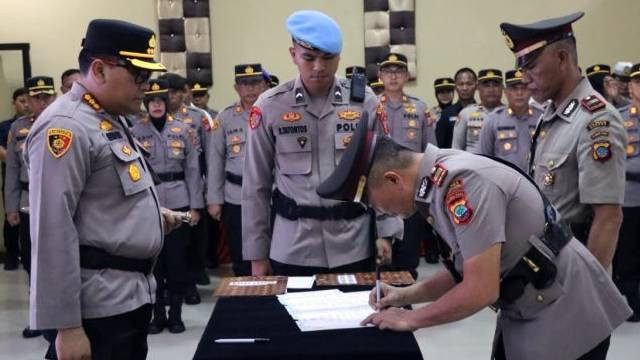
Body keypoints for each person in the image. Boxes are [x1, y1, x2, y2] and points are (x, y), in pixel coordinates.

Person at [316, 114, 632, 360]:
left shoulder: (461, 183)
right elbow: (466, 271)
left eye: (373, 202)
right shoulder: (437, 180)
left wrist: (412, 320)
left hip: (567, 315)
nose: (380, 211)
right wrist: (403, 296)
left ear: (392, 178)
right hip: (533, 306)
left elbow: (480, 289)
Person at [25, 19, 182, 359]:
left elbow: (104, 199)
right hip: (97, 310)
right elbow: (52, 230)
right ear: (99, 69)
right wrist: (67, 327)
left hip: (128, 297)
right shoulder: (66, 128)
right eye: (138, 76)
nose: (146, 86)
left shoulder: (105, 117)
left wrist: (153, 218)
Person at [242, 10, 402, 277]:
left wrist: (387, 232)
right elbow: (255, 185)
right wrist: (257, 253)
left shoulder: (365, 102)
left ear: (339, 57)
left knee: (353, 319)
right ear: (293, 54)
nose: (318, 67)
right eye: (309, 58)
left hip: (353, 243)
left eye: (328, 58)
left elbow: (384, 171)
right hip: (293, 245)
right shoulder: (269, 107)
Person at [501, 12, 626, 268]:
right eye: (522, 69)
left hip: (571, 272)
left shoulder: (595, 120)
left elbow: (608, 217)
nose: (524, 79)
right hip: (543, 266)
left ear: (562, 58)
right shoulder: (550, 114)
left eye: (531, 66)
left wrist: (589, 291)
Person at [132, 79, 203, 334]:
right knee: (153, 265)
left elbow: (194, 171)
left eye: (161, 100)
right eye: (151, 101)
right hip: (148, 205)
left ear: (167, 103)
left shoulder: (184, 130)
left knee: (176, 263)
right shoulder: (134, 131)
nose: (156, 105)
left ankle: (176, 315)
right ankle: (157, 315)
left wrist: (196, 207)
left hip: (179, 201)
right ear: (146, 104)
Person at [5, 77, 55, 339]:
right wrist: (10, 207)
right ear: (30, 100)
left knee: (60, 260)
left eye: (47, 97)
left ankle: (62, 316)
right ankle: (38, 318)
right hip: (28, 202)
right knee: (32, 263)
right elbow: (12, 170)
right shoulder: (18, 128)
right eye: (38, 98)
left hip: (58, 203)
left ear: (54, 97)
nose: (43, 102)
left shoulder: (64, 123)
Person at [377, 52, 436, 277]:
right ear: (380, 75)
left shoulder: (420, 109)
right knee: (382, 258)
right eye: (388, 72)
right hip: (379, 191)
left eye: (399, 71)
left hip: (410, 194)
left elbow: (431, 154)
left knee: (409, 256)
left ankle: (406, 306)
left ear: (407, 75)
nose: (393, 76)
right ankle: (384, 305)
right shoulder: (371, 107)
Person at [207, 64, 269, 276]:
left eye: (255, 83)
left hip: (271, 193)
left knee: (273, 253)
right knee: (241, 254)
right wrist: (214, 199)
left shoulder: (275, 112)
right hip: (236, 196)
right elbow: (215, 160)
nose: (250, 90)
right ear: (236, 88)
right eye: (245, 84)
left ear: (264, 85)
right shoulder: (225, 118)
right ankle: (247, 302)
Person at [159, 72, 210, 303]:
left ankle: (189, 285)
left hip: (193, 184)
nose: (169, 97)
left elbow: (209, 156)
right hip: (163, 189)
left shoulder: (198, 118)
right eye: (165, 93)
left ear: (183, 93)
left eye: (173, 93)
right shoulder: (149, 118)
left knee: (190, 243)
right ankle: (168, 287)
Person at [613, 62, 640, 322]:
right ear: (630, 86)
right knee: (628, 255)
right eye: (638, 82)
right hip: (630, 198)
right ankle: (635, 304)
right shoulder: (620, 118)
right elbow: (613, 161)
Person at [479, 69, 543, 171]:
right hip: (505, 182)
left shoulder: (542, 118)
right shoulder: (493, 120)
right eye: (514, 88)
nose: (519, 93)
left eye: (524, 88)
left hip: (536, 181)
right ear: (506, 92)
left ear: (530, 90)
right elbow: (484, 159)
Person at [0, 87, 30, 271]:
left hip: (30, 177)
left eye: (28, 100)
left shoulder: (40, 122)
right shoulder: (6, 126)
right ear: (14, 102)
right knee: (11, 215)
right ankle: (11, 254)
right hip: (12, 176)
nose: (26, 105)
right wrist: (15, 156)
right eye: (22, 101)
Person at [452, 69, 504, 152]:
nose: (491, 90)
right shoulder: (466, 114)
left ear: (502, 88)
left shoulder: (511, 115)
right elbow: (456, 149)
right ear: (478, 88)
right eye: (486, 85)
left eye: (495, 85)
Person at [435, 67, 477, 148]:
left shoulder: (483, 112)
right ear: (455, 87)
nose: (465, 88)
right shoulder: (446, 113)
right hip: (453, 159)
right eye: (461, 84)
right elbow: (439, 146)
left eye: (469, 84)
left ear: (476, 85)